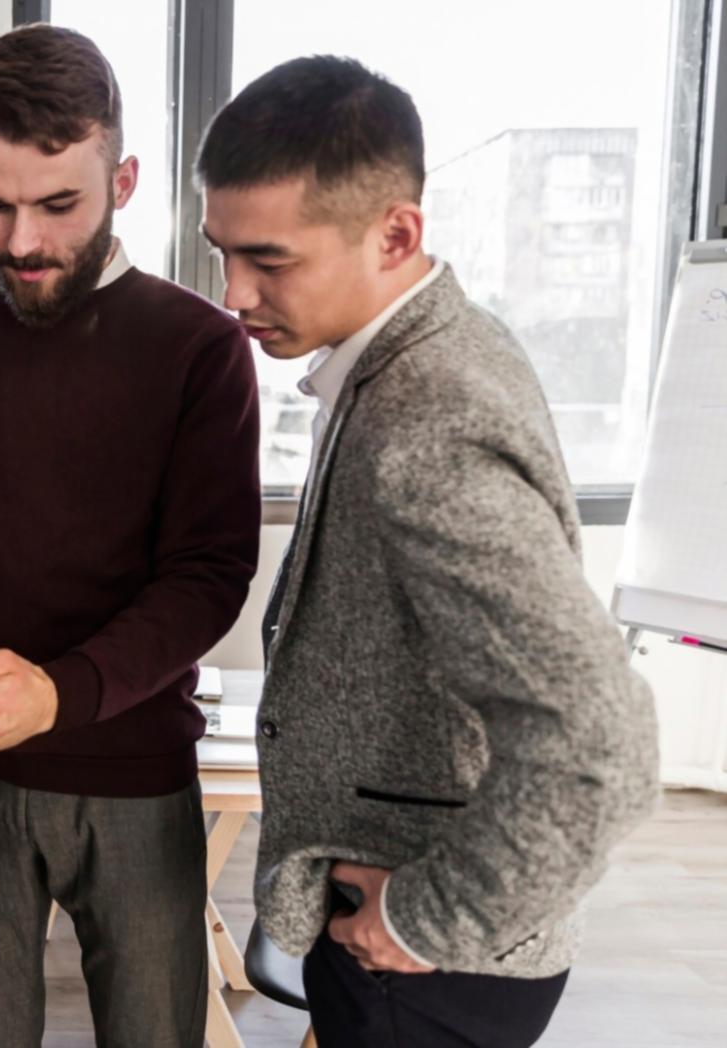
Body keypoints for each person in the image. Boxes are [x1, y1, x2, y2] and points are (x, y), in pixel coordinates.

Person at [197, 56, 660, 1048]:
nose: (232, 293)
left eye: (268, 260)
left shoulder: (428, 426)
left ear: (396, 232)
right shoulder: (416, 347)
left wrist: (427, 917)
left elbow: (600, 744)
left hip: (425, 962)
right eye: (220, 251)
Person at [0, 25, 261, 1047]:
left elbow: (205, 578)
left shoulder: (200, 349)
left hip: (136, 773)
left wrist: (58, 693)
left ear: (124, 178)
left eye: (58, 205)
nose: (20, 240)